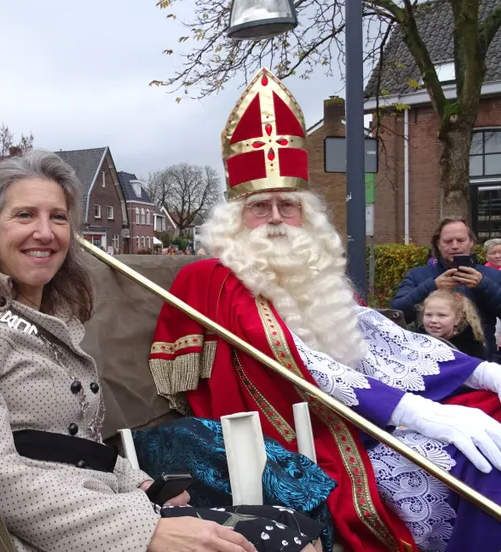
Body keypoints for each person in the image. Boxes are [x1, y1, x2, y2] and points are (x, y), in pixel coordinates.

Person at [149, 68, 501, 552]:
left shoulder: (312, 271)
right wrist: (415, 412)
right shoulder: (215, 274)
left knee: (490, 413)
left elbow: (376, 333)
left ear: (305, 213)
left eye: (287, 206)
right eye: (260, 206)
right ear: (235, 218)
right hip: (299, 438)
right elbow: (286, 357)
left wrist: (480, 373)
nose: (275, 218)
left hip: (361, 415)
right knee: (474, 459)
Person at [0, 151, 323, 552]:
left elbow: (78, 442)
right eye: (24, 215)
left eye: (58, 217)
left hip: (109, 503)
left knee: (298, 529)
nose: (45, 232)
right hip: (47, 534)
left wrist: (141, 483)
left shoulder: (54, 318)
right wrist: (147, 532)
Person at [391, 218, 501, 359]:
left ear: (471, 242)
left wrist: (483, 285)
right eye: (448, 241)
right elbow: (397, 314)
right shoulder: (417, 275)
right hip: (430, 359)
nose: (455, 246)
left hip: (480, 361)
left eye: (460, 240)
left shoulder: (492, 275)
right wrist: (432, 286)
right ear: (438, 244)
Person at [418, 290, 487, 359]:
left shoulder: (472, 350)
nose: (433, 320)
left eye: (441, 315)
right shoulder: (415, 342)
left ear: (457, 319)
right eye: (428, 315)